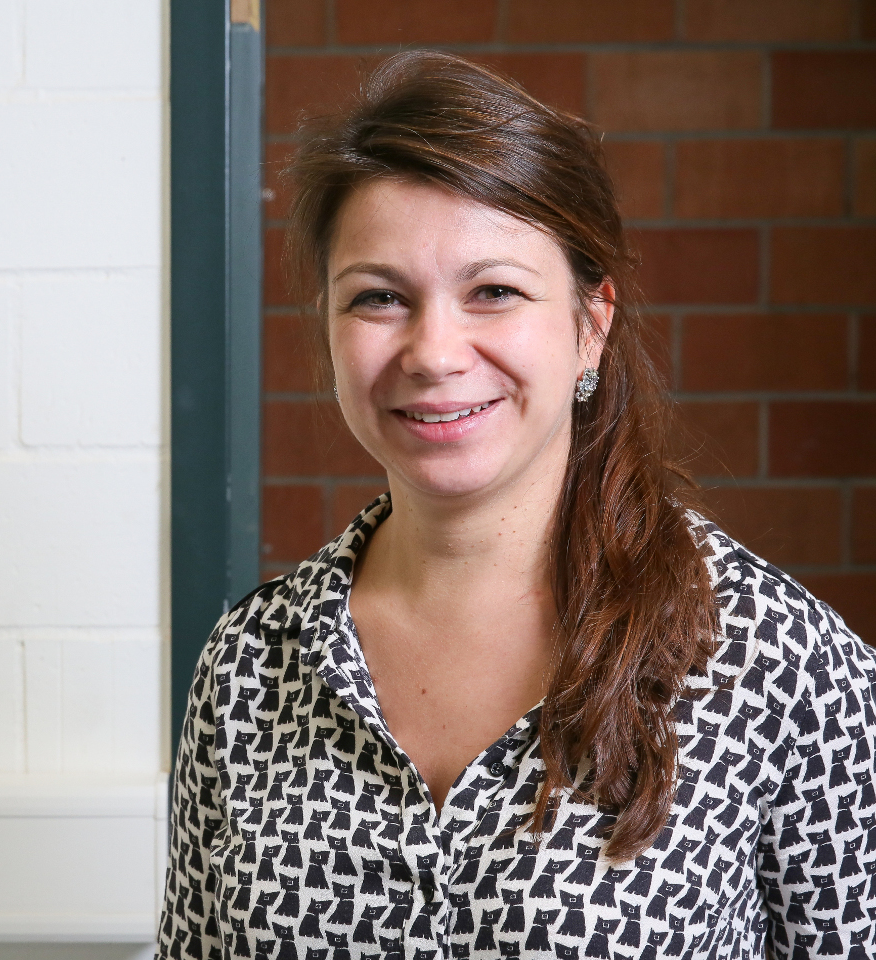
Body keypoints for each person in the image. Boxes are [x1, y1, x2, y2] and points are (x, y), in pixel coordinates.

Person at [157, 51, 876, 960]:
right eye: (379, 298)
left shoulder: (777, 663)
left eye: (493, 292)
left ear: (591, 323)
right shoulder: (251, 665)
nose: (434, 352)